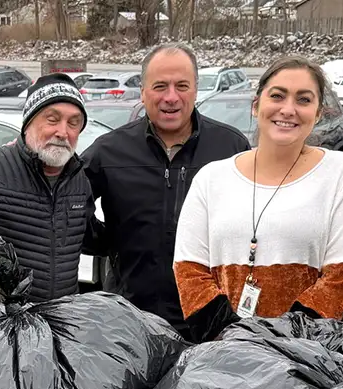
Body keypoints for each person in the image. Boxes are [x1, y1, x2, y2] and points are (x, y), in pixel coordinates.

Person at [173, 57, 343, 342]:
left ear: (318, 113)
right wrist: (232, 340)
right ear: (256, 106)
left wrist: (281, 347)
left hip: (304, 360)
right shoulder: (211, 179)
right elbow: (189, 270)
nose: (288, 109)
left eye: (304, 100)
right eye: (277, 96)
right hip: (221, 358)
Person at [83, 43, 249, 333]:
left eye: (182, 86)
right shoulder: (109, 151)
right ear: (144, 91)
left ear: (196, 89)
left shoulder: (231, 148)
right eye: (160, 86)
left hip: (210, 326)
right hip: (130, 321)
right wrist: (112, 242)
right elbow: (66, 204)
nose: (171, 97)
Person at [0, 73, 97, 302]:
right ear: (28, 123)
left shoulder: (78, 180)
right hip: (0, 324)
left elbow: (90, 238)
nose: (63, 132)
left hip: (62, 322)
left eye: (74, 123)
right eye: (52, 119)